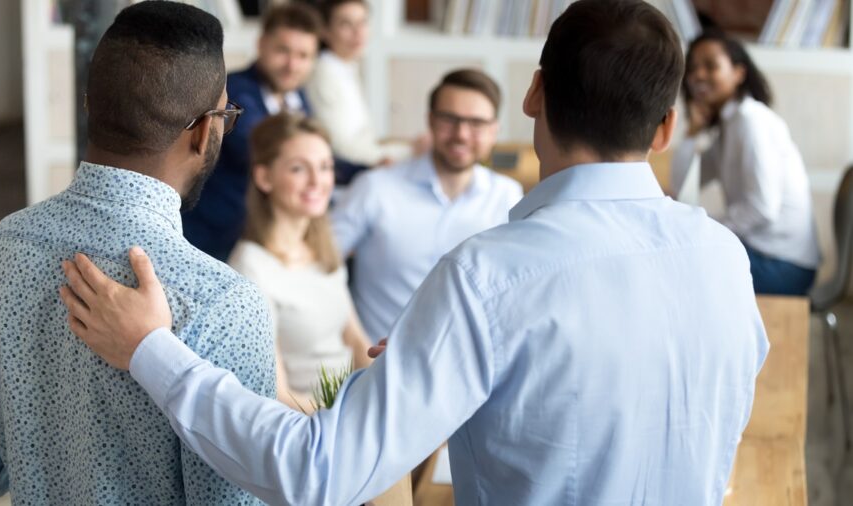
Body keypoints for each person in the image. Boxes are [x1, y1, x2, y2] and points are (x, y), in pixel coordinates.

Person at [60, 1, 769, 504]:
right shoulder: (724, 257)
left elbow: (317, 475)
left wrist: (152, 348)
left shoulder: (490, 278)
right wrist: (472, 365)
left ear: (532, 94)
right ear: (668, 126)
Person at [0, 3, 273, 504]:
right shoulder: (222, 303)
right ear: (204, 130)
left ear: (90, 105)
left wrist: (45, 466)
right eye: (228, 115)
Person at [332, 68, 523, 343]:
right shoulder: (375, 188)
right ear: (430, 121)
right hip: (380, 365)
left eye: (476, 123)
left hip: (474, 367)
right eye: (450, 119)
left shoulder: (508, 197)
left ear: (495, 131)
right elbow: (318, 266)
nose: (462, 134)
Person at [227, 113, 371, 410]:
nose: (317, 181)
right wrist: (350, 420)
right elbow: (277, 395)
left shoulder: (324, 249)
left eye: (325, 167)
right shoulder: (251, 268)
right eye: (298, 169)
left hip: (349, 409)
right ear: (264, 177)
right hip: (309, 428)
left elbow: (356, 342)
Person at [670, 29, 820, 295]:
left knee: (682, 266)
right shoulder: (730, 126)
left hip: (784, 264)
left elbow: (762, 208)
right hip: (762, 252)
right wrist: (693, 130)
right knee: (681, 259)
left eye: (710, 66)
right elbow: (681, 186)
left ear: (739, 73)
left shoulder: (752, 122)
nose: (698, 76)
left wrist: (706, 227)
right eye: (692, 68)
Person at [183, 3, 322, 261]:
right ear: (261, 45)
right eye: (283, 51)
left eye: (303, 56)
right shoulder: (232, 91)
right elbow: (265, 151)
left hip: (263, 238)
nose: (292, 65)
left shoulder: (297, 97)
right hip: (215, 240)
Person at [305, 0, 425, 184]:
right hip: (346, 177)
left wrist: (408, 145)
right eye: (346, 24)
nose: (358, 32)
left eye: (363, 22)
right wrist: (410, 151)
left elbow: (363, 138)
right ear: (325, 31)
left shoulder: (345, 66)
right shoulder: (324, 74)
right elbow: (343, 149)